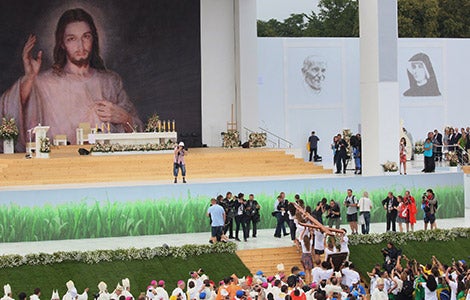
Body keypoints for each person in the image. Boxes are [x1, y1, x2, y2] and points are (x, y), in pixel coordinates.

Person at [0, 8, 143, 151]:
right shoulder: (44, 83)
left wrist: (125, 118)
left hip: (104, 166)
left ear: (94, 38)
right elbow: (7, 114)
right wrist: (29, 78)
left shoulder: (110, 82)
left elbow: (138, 132)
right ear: (62, 43)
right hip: (57, 166)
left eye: (86, 37)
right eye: (71, 39)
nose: (80, 46)